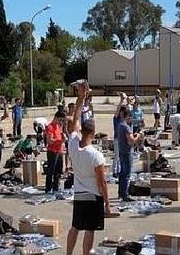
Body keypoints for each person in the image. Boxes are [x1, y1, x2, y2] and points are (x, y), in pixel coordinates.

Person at [66, 81, 111, 255]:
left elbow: (75, 119)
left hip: (78, 194)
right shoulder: (96, 155)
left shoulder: (73, 144)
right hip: (93, 196)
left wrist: (81, 98)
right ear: (93, 133)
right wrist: (107, 203)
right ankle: (86, 253)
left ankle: (68, 253)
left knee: (75, 227)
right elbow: (102, 183)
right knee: (89, 230)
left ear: (81, 131)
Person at [116, 106, 141, 201]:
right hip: (127, 152)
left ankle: (121, 193)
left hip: (122, 151)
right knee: (126, 173)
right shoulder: (126, 127)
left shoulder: (120, 125)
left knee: (122, 173)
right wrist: (138, 136)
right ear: (128, 116)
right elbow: (131, 141)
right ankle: (125, 194)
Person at [44, 111, 67, 194]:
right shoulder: (50, 127)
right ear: (57, 118)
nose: (61, 122)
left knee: (58, 170)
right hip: (52, 151)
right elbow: (49, 141)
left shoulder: (58, 126)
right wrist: (60, 140)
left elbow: (60, 137)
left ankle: (56, 187)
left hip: (59, 150)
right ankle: (48, 188)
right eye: (61, 120)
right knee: (51, 170)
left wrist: (62, 140)